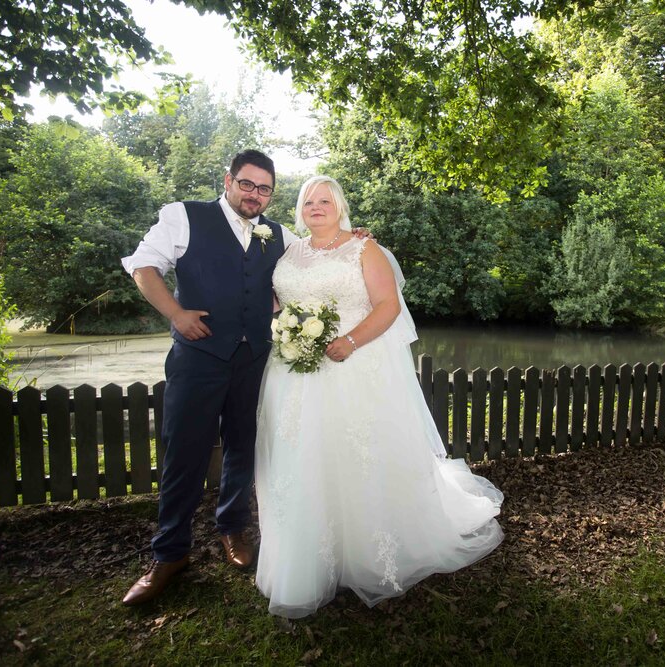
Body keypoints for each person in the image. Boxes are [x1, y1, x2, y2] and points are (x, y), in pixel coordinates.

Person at [254, 175, 504, 618]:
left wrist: (348, 342)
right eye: (308, 201)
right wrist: (286, 330)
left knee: (357, 456)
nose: (316, 207)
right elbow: (280, 298)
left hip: (352, 366)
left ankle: (368, 552)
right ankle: (305, 558)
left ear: (340, 206)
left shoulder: (364, 248)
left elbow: (388, 306)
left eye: (325, 200)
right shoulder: (289, 248)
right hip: (293, 373)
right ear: (299, 208)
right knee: (302, 458)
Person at [119, 150, 297, 605]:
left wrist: (355, 238)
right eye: (247, 184)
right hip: (198, 357)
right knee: (184, 452)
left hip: (255, 358)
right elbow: (143, 267)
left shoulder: (278, 235)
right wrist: (175, 313)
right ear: (228, 180)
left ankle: (233, 529)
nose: (255, 194)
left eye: (264, 189)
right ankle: (170, 553)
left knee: (243, 447)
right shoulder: (184, 216)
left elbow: (319, 256)